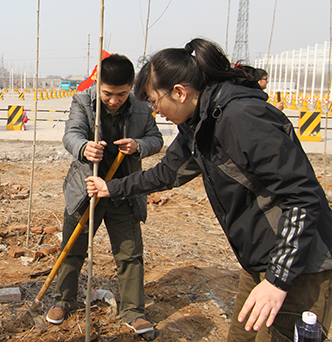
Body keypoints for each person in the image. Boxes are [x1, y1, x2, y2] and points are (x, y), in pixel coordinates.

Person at [86, 38, 332, 341]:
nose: (154, 110)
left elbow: (302, 198)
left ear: (179, 92)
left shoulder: (243, 117)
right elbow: (166, 174)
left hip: (300, 263)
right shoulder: (199, 123)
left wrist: (278, 280)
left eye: (153, 100)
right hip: (260, 257)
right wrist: (111, 188)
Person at [46, 54, 164, 335]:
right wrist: (85, 147)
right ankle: (63, 299)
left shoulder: (141, 107)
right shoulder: (82, 101)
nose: (114, 100)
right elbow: (71, 134)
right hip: (87, 190)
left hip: (124, 192)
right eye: (108, 94)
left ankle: (134, 311)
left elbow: (156, 139)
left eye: (121, 94)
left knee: (130, 254)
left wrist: (138, 145)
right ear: (98, 85)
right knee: (72, 250)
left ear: (131, 87)